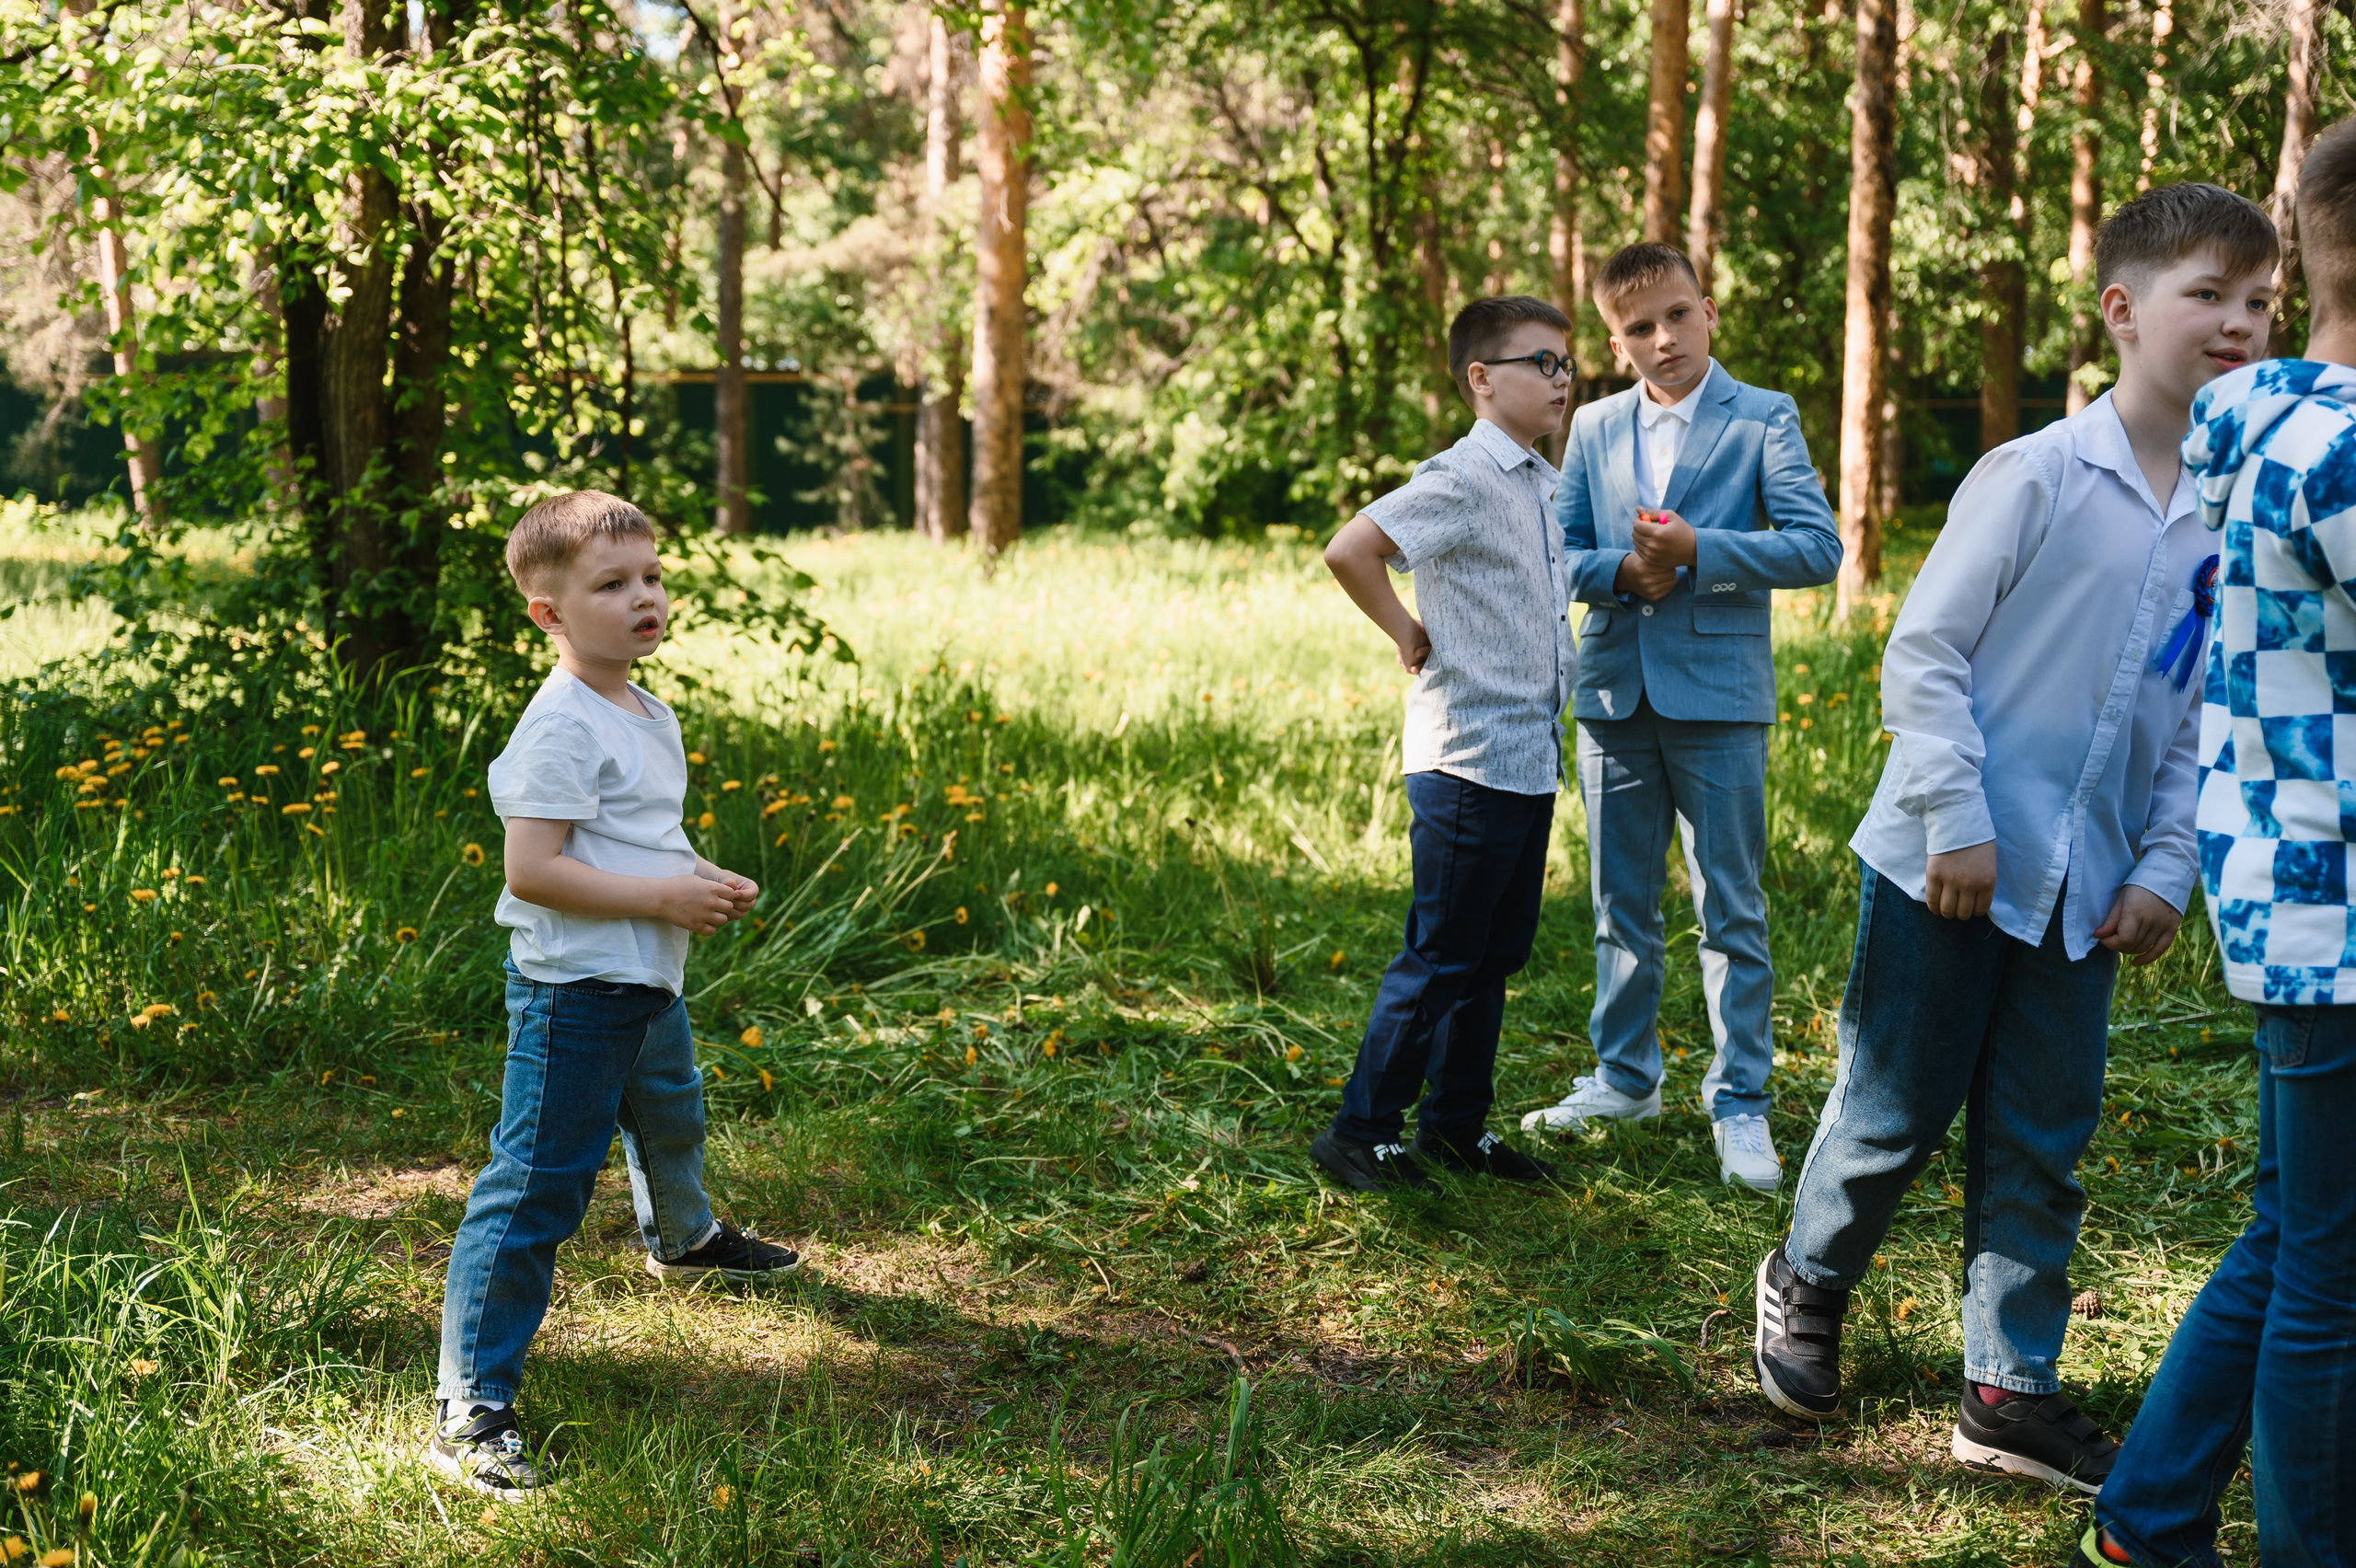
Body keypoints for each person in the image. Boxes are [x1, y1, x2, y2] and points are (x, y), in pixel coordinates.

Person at [1748, 184, 2279, 1499]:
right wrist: (1961, 820)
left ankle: (2008, 1386)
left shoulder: (2232, 517)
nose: (2239, 322)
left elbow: (2200, 714)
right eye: (2208, 294)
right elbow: (1925, 653)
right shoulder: (2037, 474)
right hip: (1947, 860)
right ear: (2122, 311)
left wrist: (2165, 868)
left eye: (2262, 301)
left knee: (2045, 1131)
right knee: (1894, 1104)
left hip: (2086, 884)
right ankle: (1808, 1277)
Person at [2075, 135, 2356, 1568]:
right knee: (2333, 1276)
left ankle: (2148, 1514)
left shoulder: (2270, 423)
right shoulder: (2340, 451)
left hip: (2294, 889)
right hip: (2337, 906)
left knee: (2302, 1232)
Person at [428, 490, 802, 1502]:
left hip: (644, 977)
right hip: (576, 990)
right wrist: (662, 899)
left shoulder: (642, 707)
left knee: (671, 1113)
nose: (644, 599)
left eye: (651, 578)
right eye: (612, 585)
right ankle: (471, 1403)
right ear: (549, 613)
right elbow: (533, 872)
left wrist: (699, 876)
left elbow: (640, 838)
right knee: (536, 1185)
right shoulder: (558, 727)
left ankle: (684, 1240)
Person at [1521, 242, 1842, 1192]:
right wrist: (1622, 572)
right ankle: (1626, 1079)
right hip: (1614, 692)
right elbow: (1556, 552)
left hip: (1719, 697)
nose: (1663, 338)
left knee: (1729, 905)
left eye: (1677, 315)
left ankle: (1741, 1100)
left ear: (1708, 311)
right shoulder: (1592, 427)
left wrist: (1700, 552)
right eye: (1639, 327)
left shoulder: (1762, 417)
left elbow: (1815, 548)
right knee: (1619, 902)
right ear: (1614, 344)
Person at [1310, 294, 1578, 1192]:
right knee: (1440, 955)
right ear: (1481, 378)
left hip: (1525, 756)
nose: (1562, 379)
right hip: (1466, 756)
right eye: (1542, 363)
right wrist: (1404, 629)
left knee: (1491, 956)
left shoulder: (1536, 483)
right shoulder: (1462, 477)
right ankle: (1360, 1132)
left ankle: (1455, 1128)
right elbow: (1351, 549)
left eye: (1568, 364)